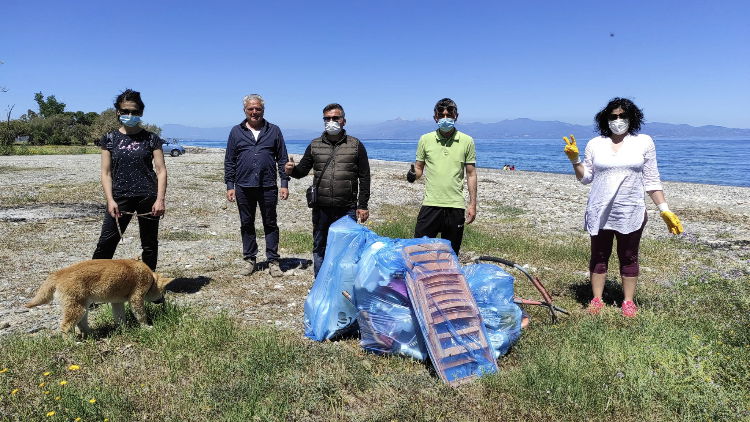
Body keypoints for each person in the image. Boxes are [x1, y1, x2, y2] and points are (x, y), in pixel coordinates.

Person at [563, 97, 683, 317]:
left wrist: (664, 209)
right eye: (613, 116)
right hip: (600, 210)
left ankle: (628, 301)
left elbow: (652, 180)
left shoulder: (644, 142)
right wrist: (575, 160)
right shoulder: (595, 143)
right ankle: (597, 299)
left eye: (622, 116)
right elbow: (585, 178)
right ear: (605, 118)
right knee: (599, 256)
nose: (618, 120)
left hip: (631, 210)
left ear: (631, 117)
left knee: (629, 256)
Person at [284, 103, 370, 276]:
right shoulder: (315, 145)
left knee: (347, 248)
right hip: (321, 206)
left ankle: (342, 286)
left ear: (343, 121)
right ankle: (320, 283)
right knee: (320, 245)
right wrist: (291, 170)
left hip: (347, 207)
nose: (331, 121)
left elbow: (364, 176)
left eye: (335, 118)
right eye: (327, 118)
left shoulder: (355, 145)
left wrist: (363, 204)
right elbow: (302, 171)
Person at [92, 89, 167, 271]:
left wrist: (160, 199)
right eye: (125, 111)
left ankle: (150, 288)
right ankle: (92, 287)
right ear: (118, 112)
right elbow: (106, 172)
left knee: (149, 245)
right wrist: (110, 200)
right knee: (106, 243)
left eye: (134, 111)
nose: (129, 115)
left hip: (147, 197)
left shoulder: (151, 138)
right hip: (119, 197)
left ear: (140, 112)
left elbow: (161, 171)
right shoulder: (109, 138)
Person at [224, 94, 289, 277]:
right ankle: (249, 259)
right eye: (251, 109)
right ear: (245, 110)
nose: (254, 112)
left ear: (263, 110)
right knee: (246, 223)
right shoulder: (236, 131)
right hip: (243, 186)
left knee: (270, 223)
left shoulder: (274, 130)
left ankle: (273, 261)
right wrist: (230, 185)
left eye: (258, 109)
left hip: (268, 185)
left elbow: (282, 158)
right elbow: (230, 160)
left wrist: (284, 183)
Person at [406, 98, 477, 255]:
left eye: (449, 114)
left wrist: (472, 204)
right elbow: (419, 168)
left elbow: (471, 174)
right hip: (431, 204)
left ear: (456, 116)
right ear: (435, 117)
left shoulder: (467, 141)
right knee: (419, 252)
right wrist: (413, 175)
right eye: (442, 114)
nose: (446, 118)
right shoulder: (425, 139)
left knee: (450, 255)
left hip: (456, 206)